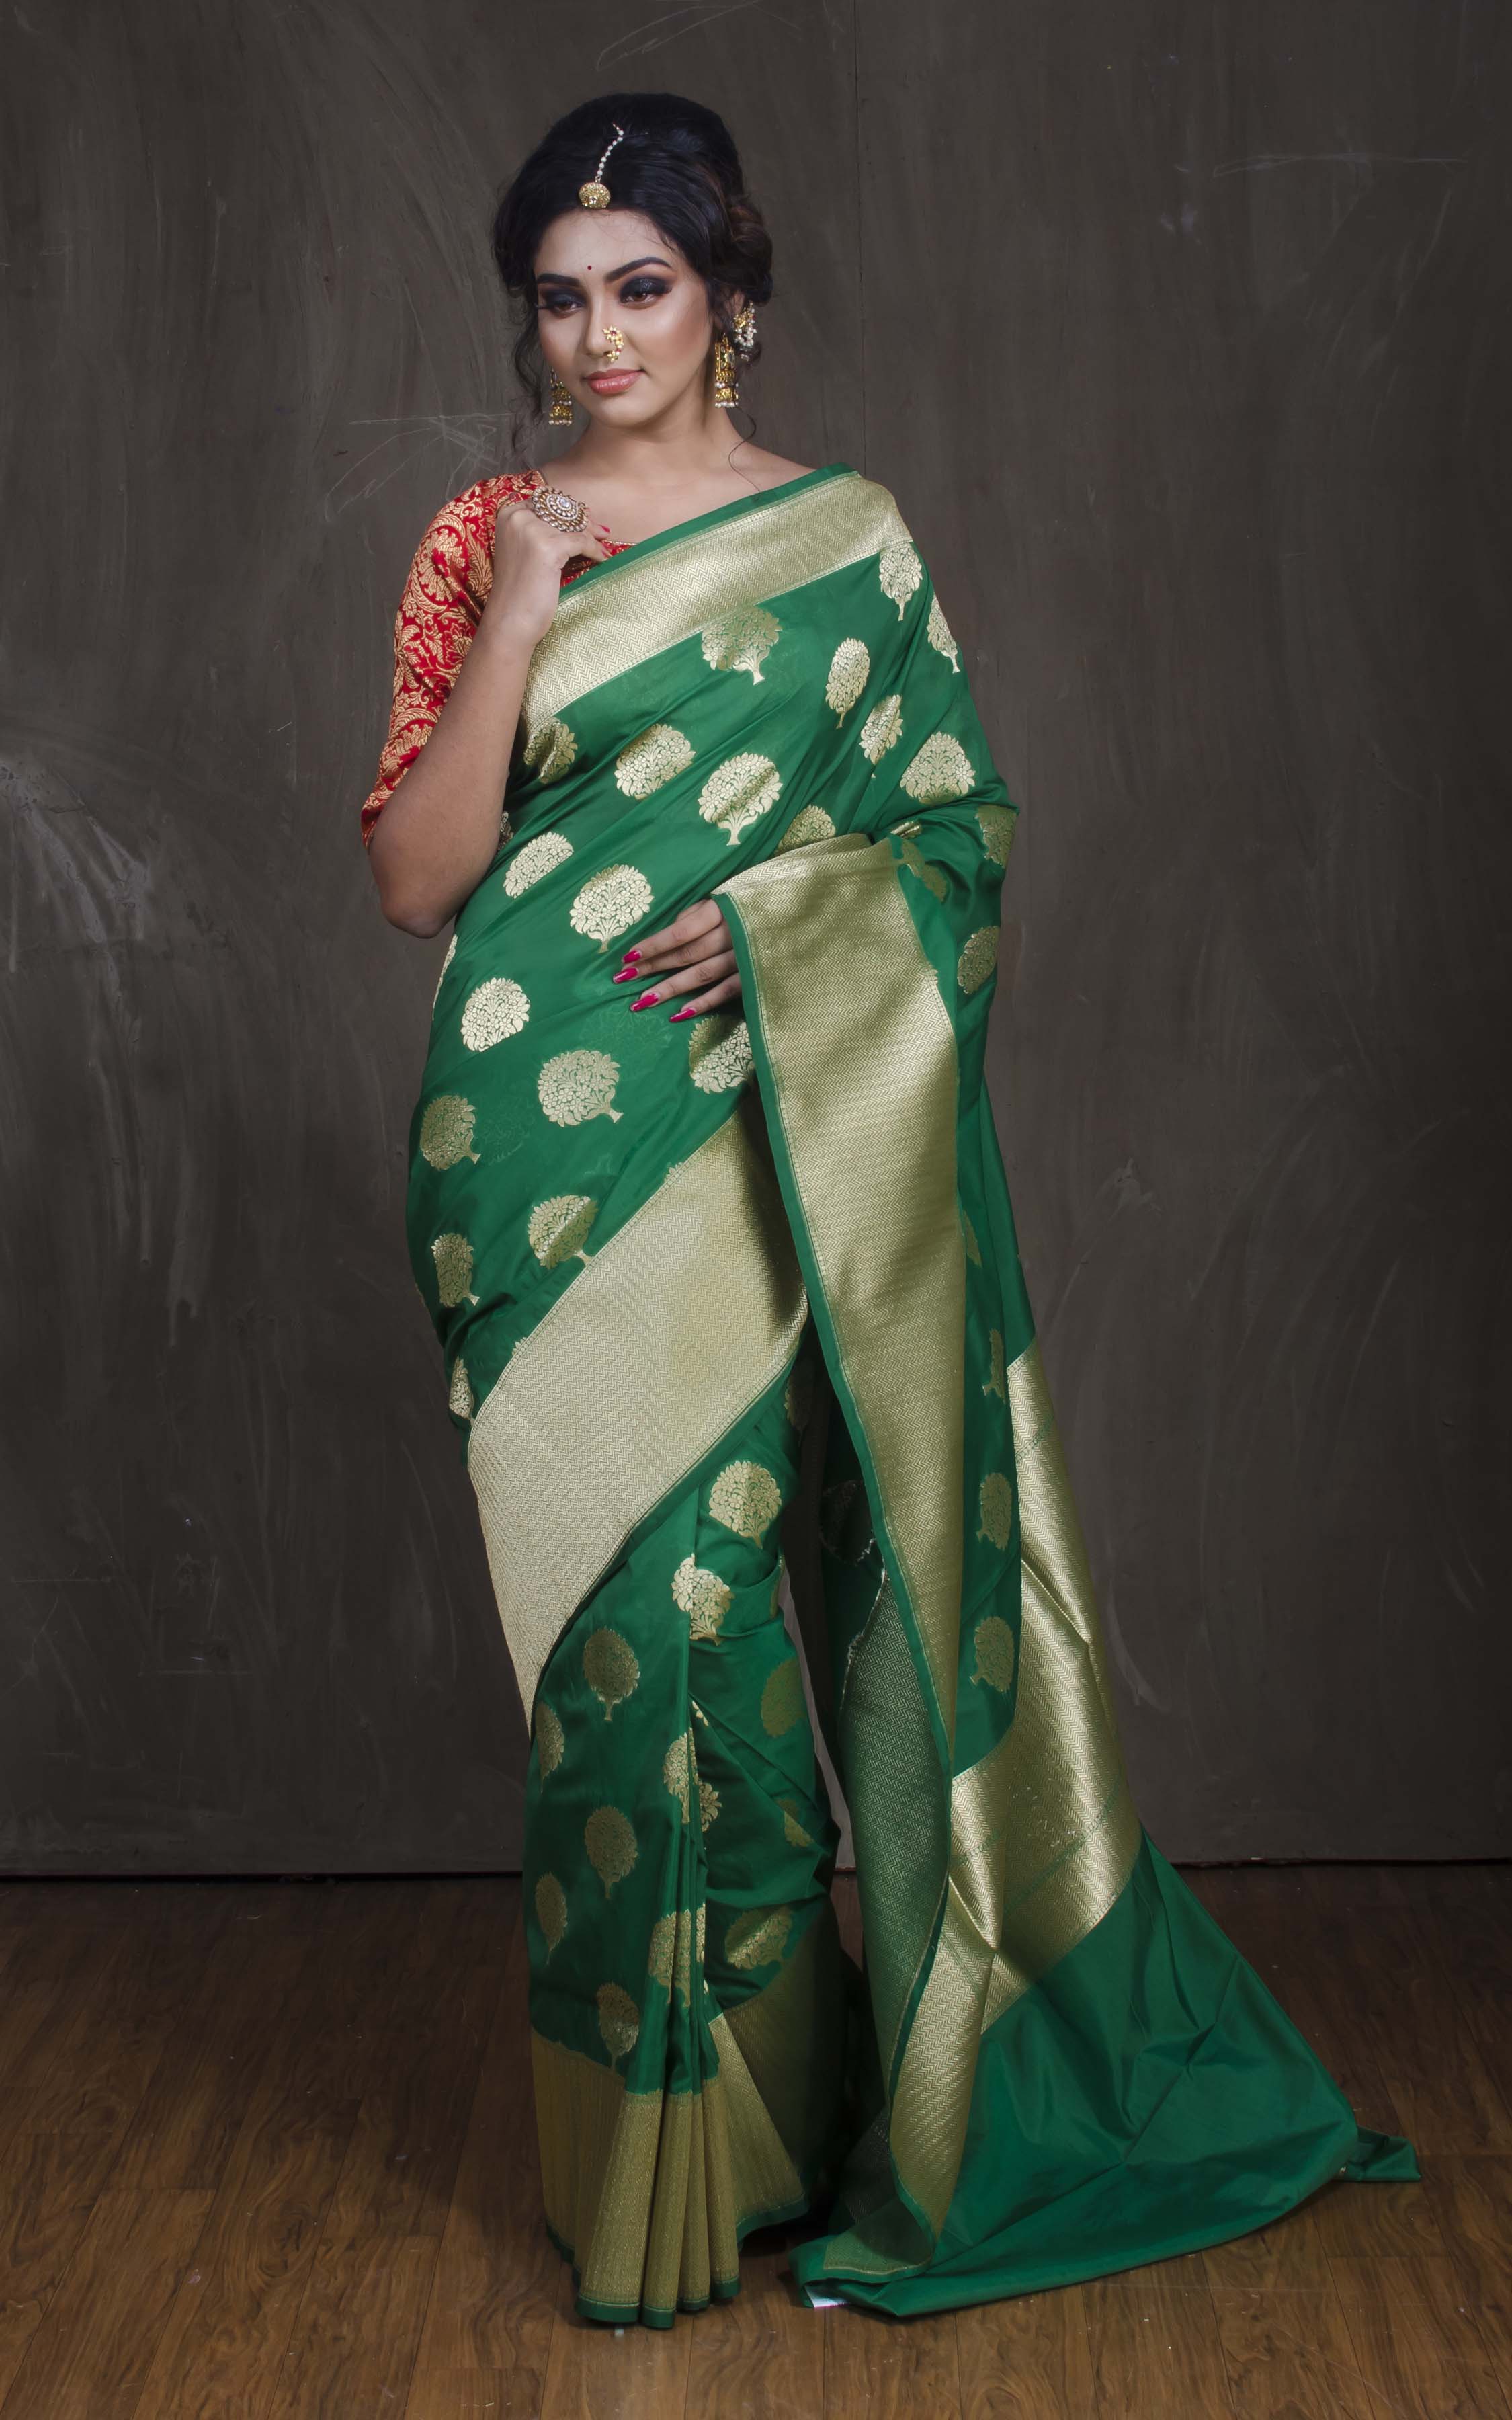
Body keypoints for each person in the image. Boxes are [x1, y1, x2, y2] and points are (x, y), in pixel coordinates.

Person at [360, 91, 1417, 2331]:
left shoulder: (847, 540)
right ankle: (658, 2172)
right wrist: (525, 604)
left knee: (738, 1645)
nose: (597, 337)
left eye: (642, 287)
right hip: (531, 1162)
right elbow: (418, 880)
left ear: (729, 299)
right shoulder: (483, 538)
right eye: (558, 299)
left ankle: (785, 2133)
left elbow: (955, 839)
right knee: (626, 1670)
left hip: (765, 1132)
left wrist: (786, 934)